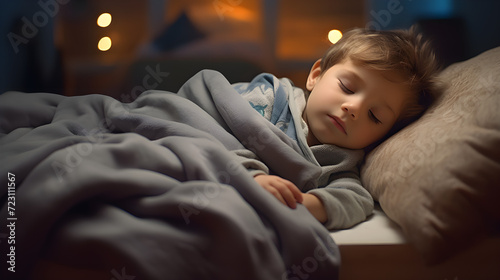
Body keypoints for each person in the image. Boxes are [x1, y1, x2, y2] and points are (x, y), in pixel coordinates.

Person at [235, 26, 442, 229]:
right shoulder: (269, 98)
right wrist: (252, 175)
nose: (354, 108)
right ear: (316, 76)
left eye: (374, 116)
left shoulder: (339, 164)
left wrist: (305, 205)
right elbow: (211, 128)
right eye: (347, 87)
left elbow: (355, 199)